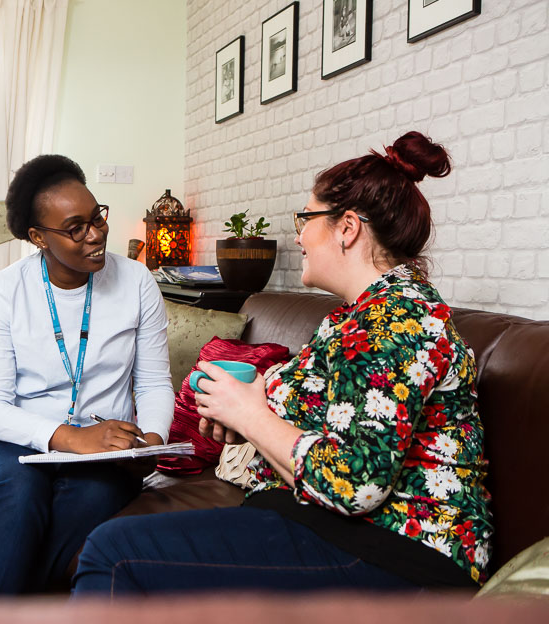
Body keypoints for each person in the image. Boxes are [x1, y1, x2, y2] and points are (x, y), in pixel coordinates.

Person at [72, 132, 493, 594]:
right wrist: (246, 416)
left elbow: (354, 485)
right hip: (331, 529)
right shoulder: (357, 317)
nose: (298, 235)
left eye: (306, 218)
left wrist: (251, 415)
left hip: (399, 555)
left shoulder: (398, 320)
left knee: (111, 552)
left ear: (347, 228)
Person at [0, 154, 175, 593]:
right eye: (76, 227)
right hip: (10, 439)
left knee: (95, 496)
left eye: (97, 217)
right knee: (22, 491)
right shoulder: (5, 292)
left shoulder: (137, 283)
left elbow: (152, 383)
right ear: (38, 237)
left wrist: (150, 442)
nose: (95, 234)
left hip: (104, 449)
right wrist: (71, 439)